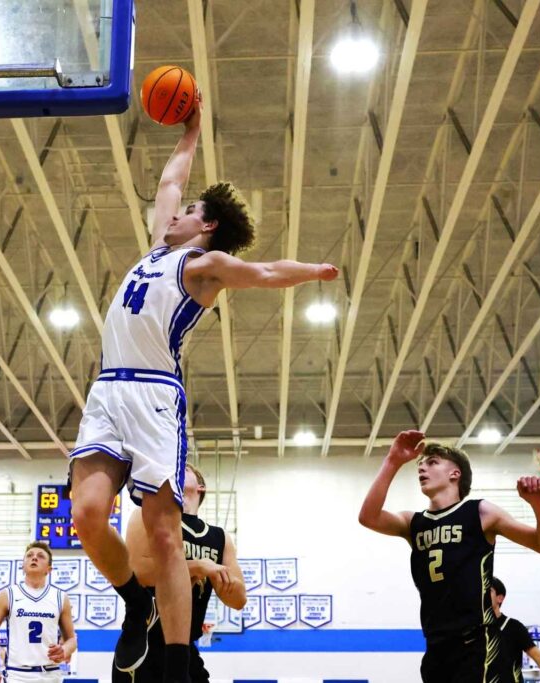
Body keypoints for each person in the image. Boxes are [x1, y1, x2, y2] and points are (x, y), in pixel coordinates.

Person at [68, 95, 338, 681]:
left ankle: (177, 664)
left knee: (165, 535)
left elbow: (264, 272)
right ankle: (135, 603)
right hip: (106, 391)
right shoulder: (156, 250)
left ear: (207, 226)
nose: (174, 212)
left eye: (189, 210)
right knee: (86, 515)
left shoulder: (201, 266)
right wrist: (190, 129)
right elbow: (170, 179)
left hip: (154, 396)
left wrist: (314, 272)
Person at [358, 431, 540, 682]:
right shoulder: (413, 522)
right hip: (435, 646)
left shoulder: (480, 512)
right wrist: (393, 461)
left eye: (432, 462)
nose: (422, 468)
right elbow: (368, 517)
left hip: (474, 644)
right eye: (420, 464)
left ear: (455, 474)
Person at [113, 463, 245, 683]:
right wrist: (197, 566)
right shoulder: (145, 516)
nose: (177, 469)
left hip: (185, 649)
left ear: (200, 487)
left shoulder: (220, 538)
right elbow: (138, 572)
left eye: (186, 469)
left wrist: (226, 581)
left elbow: (238, 600)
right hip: (143, 647)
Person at [0, 542, 77, 683]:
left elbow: (71, 639)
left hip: (50, 674)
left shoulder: (60, 597)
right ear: (23, 566)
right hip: (17, 675)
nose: (34, 558)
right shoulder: (8, 595)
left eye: (41, 556)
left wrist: (65, 649)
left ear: (49, 569)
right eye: (30, 555)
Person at [488, 577, 540, 683]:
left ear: (500, 598)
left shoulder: (514, 627)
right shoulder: (473, 629)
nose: (483, 595)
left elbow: (537, 656)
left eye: (489, 591)